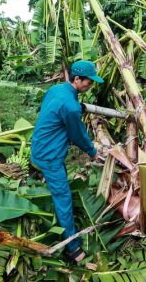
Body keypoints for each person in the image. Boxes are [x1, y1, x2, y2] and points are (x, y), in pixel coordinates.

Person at [31, 60, 103, 262]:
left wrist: (77, 106)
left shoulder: (56, 90)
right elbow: (78, 134)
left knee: (60, 190)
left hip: (39, 147)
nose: (91, 86)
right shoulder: (70, 107)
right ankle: (72, 248)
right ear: (77, 79)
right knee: (63, 199)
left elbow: (59, 107)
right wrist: (92, 152)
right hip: (49, 156)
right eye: (89, 82)